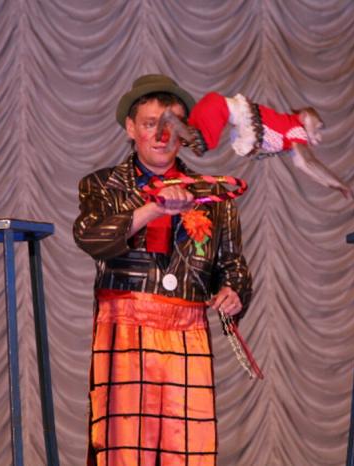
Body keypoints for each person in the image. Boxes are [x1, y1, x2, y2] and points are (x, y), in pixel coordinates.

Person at [73, 74, 252, 466]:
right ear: (131, 128)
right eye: (151, 123)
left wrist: (234, 291)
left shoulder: (213, 194)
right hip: (125, 324)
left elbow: (233, 266)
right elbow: (90, 237)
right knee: (124, 447)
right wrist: (154, 208)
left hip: (188, 328)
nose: (161, 134)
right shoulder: (103, 185)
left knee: (188, 447)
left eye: (171, 124)